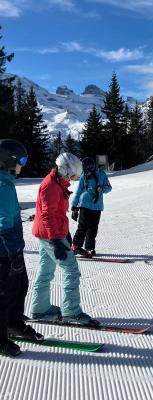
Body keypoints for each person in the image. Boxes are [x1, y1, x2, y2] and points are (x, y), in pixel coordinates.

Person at [31, 153, 98, 326]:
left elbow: (57, 213)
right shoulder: (51, 186)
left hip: (48, 233)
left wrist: (65, 232)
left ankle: (40, 308)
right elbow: (48, 215)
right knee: (71, 270)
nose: (74, 178)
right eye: (73, 175)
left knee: (46, 271)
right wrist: (55, 240)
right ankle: (71, 311)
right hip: (50, 235)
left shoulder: (57, 182)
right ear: (66, 170)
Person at [0, 139, 43, 357]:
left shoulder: (6, 182)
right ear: (9, 161)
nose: (23, 165)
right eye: (22, 161)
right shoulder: (3, 186)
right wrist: (13, 254)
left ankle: (13, 323)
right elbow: (3, 225)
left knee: (19, 286)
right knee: (4, 294)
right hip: (5, 252)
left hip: (12, 249)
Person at [71, 157, 112, 258]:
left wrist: (102, 189)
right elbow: (78, 191)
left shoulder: (101, 174)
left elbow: (108, 187)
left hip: (97, 206)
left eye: (87, 169)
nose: (86, 171)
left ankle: (89, 248)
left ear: (92, 167)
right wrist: (74, 206)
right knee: (83, 226)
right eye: (84, 169)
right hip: (84, 204)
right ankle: (76, 246)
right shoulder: (83, 176)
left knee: (93, 228)